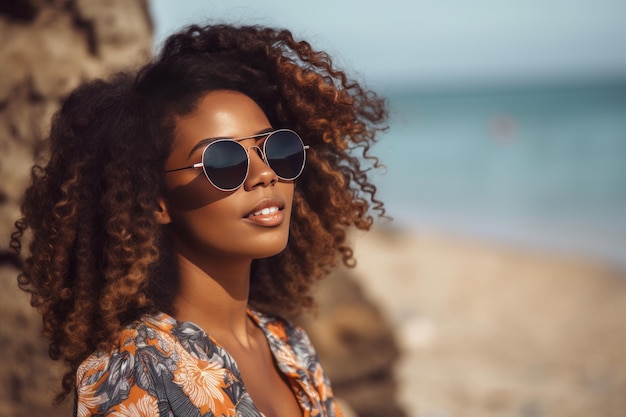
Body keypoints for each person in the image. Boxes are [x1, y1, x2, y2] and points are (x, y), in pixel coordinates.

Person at [11, 23, 387, 417]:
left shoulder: (288, 344)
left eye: (276, 148)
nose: (264, 173)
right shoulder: (132, 375)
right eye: (223, 160)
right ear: (156, 201)